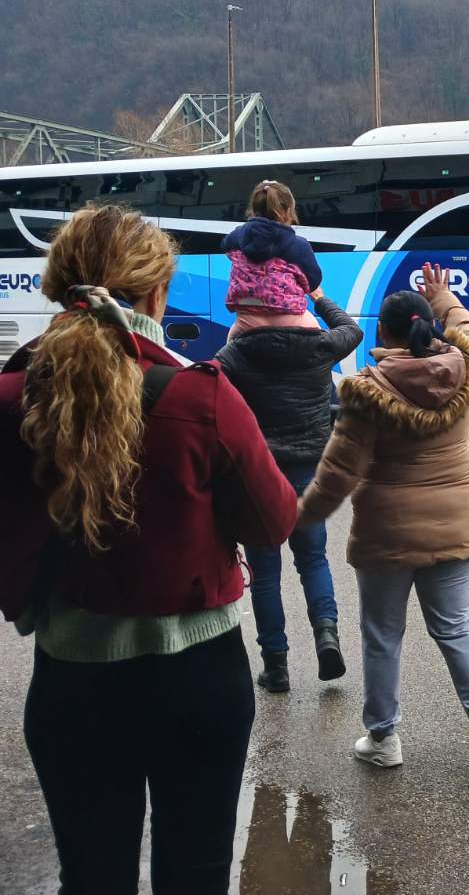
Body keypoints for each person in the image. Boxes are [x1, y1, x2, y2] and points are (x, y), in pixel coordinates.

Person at [0, 205, 297, 892]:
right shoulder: (202, 398)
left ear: (57, 289)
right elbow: (273, 522)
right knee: (194, 876)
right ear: (157, 294)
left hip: (72, 680)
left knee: (93, 876)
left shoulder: (14, 398)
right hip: (199, 678)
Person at [299, 262, 469, 767]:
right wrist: (443, 296)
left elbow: (338, 473)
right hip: (454, 520)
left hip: (386, 532)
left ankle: (383, 739)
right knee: (457, 626)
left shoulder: (368, 391)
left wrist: (299, 514)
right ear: (430, 326)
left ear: (382, 334)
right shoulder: (466, 366)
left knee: (382, 633)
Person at [216, 271, 363, 694]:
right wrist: (318, 295)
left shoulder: (236, 352)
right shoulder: (319, 344)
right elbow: (351, 329)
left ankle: (275, 666)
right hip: (308, 474)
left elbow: (206, 381)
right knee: (313, 559)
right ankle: (326, 638)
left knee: (265, 574)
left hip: (259, 476)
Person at [221, 180, 324, 336]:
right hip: (290, 318)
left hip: (247, 320)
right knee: (319, 343)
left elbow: (225, 245)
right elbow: (313, 282)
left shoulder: (237, 237)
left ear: (253, 209)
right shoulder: (298, 246)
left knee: (229, 349)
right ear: (289, 210)